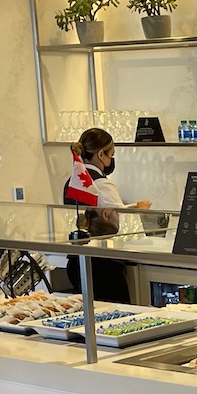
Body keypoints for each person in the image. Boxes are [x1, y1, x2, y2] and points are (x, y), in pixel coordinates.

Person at [63, 128, 132, 303]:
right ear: (101, 154)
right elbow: (114, 221)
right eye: (111, 154)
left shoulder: (71, 182)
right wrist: (138, 209)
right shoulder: (102, 183)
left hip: (75, 260)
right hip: (103, 263)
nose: (111, 160)